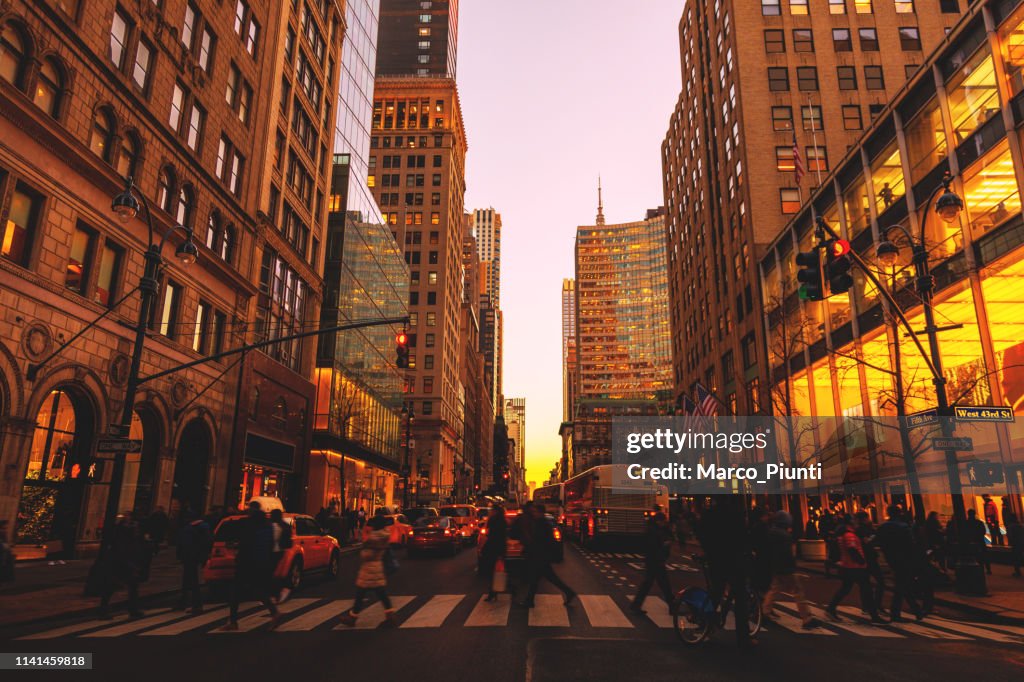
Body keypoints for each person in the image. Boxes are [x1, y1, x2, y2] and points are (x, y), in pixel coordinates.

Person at [696, 497, 756, 649]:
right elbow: (743, 537)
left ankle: (704, 623)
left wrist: (708, 550)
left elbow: (701, 532)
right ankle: (743, 639)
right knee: (740, 599)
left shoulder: (709, 514)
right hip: (734, 560)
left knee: (716, 592)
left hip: (715, 559)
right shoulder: (736, 514)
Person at [221, 502, 280, 631]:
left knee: (236, 592)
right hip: (262, 561)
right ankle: (274, 612)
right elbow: (270, 544)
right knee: (258, 590)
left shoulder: (249, 524)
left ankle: (233, 621)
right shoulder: (268, 524)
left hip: (247, 561)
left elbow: (245, 542)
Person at [340, 509, 397, 627]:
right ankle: (389, 615)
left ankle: (353, 617)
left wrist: (364, 550)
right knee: (380, 593)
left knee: (361, 594)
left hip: (370, 568)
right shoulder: (384, 535)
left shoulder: (374, 538)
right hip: (377, 567)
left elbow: (368, 555)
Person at [762, 511, 817, 629]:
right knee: (798, 591)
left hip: (776, 566)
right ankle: (806, 618)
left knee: (774, 590)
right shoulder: (785, 536)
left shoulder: (770, 533)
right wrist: (792, 565)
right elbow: (789, 554)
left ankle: (764, 612)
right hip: (786, 568)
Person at [825, 515, 884, 624]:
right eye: (854, 521)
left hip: (849, 567)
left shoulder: (847, 534)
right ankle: (874, 616)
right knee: (867, 590)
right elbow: (852, 549)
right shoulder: (849, 535)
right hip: (855, 567)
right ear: (850, 523)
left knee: (846, 589)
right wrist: (861, 561)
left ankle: (831, 608)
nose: (856, 523)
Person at [519, 504, 576, 608]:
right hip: (541, 556)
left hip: (540, 556)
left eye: (535, 512)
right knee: (543, 579)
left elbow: (540, 541)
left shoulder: (542, 524)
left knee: (537, 579)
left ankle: (529, 601)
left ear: (540, 512)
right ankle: (568, 592)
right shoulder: (541, 522)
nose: (534, 514)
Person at [875, 506, 923, 622]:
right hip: (905, 558)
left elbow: (878, 542)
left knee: (902, 584)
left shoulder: (883, 527)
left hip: (892, 558)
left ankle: (915, 610)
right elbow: (911, 544)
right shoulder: (903, 527)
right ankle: (899, 612)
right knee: (902, 586)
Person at [98, 511, 147, 619]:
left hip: (127, 561)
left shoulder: (129, 530)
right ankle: (104, 609)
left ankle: (132, 609)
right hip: (121, 561)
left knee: (132, 586)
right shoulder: (123, 531)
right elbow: (121, 547)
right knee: (113, 585)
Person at [631, 511, 674, 614]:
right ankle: (673, 606)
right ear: (659, 521)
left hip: (653, 560)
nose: (664, 523)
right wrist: (664, 545)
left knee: (650, 584)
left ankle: (636, 605)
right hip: (655, 560)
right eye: (663, 521)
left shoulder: (652, 529)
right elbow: (655, 546)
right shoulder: (654, 531)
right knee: (664, 584)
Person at [175, 508, 211, 614]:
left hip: (190, 556)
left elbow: (185, 543)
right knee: (187, 580)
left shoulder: (190, 528)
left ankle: (197, 604)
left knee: (192, 581)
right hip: (193, 556)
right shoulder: (201, 527)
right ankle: (183, 602)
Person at [855, 511, 885, 616]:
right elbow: (867, 541)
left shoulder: (866, 528)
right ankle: (874, 605)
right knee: (878, 581)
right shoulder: (861, 530)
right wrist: (874, 536)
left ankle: (868, 606)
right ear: (864, 519)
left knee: (866, 583)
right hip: (868, 558)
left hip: (867, 557)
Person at [480, 506, 507, 601]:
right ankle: (493, 591)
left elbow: (491, 534)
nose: (490, 512)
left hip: (492, 548)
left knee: (491, 571)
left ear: (495, 511)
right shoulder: (503, 521)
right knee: (497, 571)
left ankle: (493, 592)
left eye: (492, 510)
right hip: (499, 548)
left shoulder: (493, 520)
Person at [269, 509, 293, 603]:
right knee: (276, 572)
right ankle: (280, 591)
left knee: (273, 573)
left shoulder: (273, 526)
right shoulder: (284, 525)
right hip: (280, 551)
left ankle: (277, 593)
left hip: (274, 551)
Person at [965, 509, 991, 575]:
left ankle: (977, 569)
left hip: (971, 541)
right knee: (984, 555)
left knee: (975, 555)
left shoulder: (966, 523)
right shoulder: (979, 522)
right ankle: (988, 569)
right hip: (980, 540)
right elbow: (983, 531)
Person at [1003, 511, 1023, 577]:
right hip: (1021, 542)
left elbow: (1010, 535)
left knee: (1016, 557)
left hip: (1015, 543)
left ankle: (1017, 571)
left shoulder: (1011, 526)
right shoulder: (1020, 525)